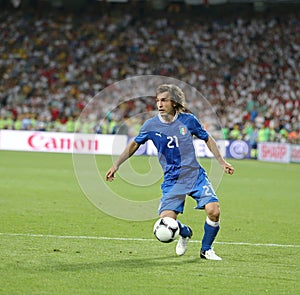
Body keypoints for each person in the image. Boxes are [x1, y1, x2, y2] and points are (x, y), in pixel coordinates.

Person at [105, 84, 234, 260]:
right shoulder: (151, 125)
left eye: (164, 100)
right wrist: (116, 165)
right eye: (157, 101)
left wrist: (221, 161)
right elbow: (135, 144)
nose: (159, 104)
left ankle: (206, 249)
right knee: (166, 224)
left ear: (174, 102)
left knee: (214, 211)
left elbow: (207, 138)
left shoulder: (188, 120)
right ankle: (184, 232)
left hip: (194, 175)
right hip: (172, 180)